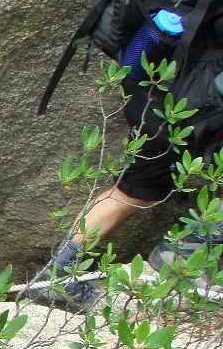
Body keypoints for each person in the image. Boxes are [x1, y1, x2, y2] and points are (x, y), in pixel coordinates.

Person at [27, 75, 223, 310]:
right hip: (206, 100)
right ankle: (183, 250)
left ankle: (56, 274)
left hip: (154, 90)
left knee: (132, 191)